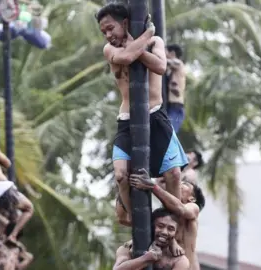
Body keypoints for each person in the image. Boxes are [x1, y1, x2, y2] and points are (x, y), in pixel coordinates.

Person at [96, 3, 188, 221]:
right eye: (104, 32)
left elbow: (159, 66)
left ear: (125, 22)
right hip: (127, 121)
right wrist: (147, 34)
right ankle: (138, 224)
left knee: (174, 174)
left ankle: (170, 223)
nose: (108, 35)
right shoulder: (110, 49)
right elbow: (126, 58)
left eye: (111, 28)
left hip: (156, 115)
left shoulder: (156, 42)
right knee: (120, 176)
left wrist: (141, 42)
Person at [130, 169, 205, 270]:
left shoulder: (193, 208)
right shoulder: (166, 215)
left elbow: (181, 209)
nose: (180, 184)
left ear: (192, 199)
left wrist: (151, 186)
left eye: (185, 184)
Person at [113, 208, 189, 270]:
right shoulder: (127, 248)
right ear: (151, 227)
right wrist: (146, 259)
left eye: (171, 229)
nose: (165, 232)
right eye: (160, 226)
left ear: (176, 233)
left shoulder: (179, 260)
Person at [165, 44, 187, 133]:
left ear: (172, 53)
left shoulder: (178, 63)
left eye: (165, 51)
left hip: (176, 107)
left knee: (170, 134)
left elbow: (167, 62)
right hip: (171, 106)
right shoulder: (173, 70)